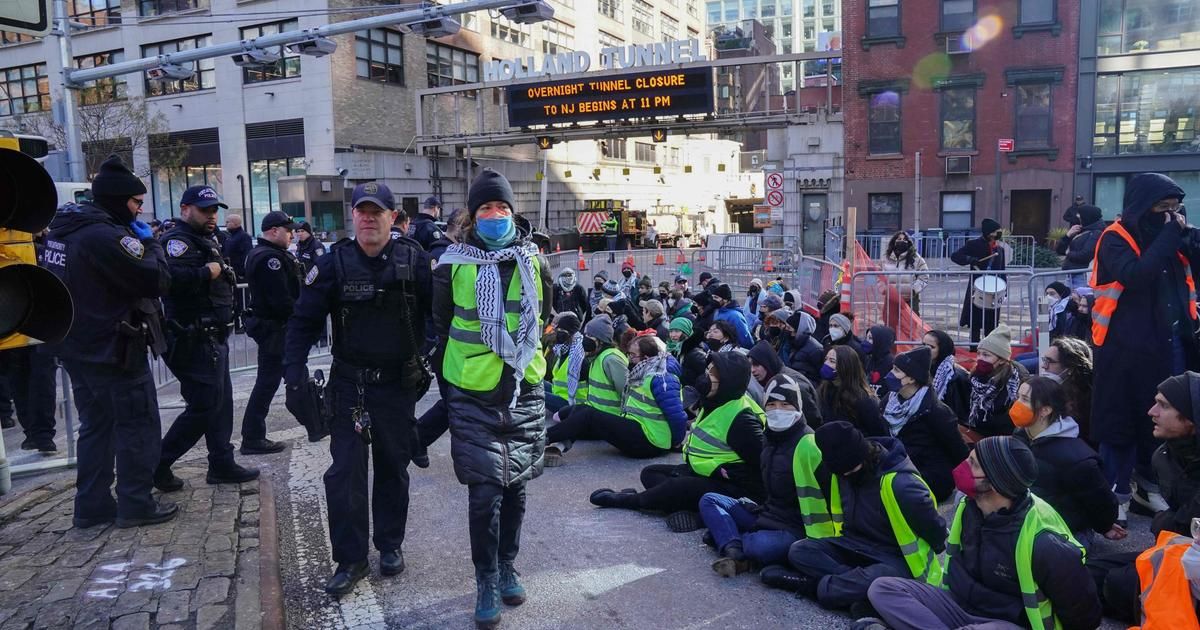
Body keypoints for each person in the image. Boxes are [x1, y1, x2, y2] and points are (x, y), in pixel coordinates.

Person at [283, 181, 430, 595]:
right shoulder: (333, 264)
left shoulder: (414, 261)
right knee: (344, 474)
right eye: (361, 211)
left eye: (377, 211)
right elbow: (303, 322)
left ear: (392, 217)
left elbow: (438, 316)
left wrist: (431, 359)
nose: (368, 218)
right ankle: (350, 559)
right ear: (353, 217)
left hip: (397, 387)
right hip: (350, 386)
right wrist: (292, 375)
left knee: (392, 469)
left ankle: (389, 546)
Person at [432, 169, 553, 627]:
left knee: (516, 487)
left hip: (524, 387)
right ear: (473, 215)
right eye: (486, 208)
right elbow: (443, 325)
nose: (495, 215)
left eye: (501, 207)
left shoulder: (534, 259)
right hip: (472, 391)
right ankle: (485, 577)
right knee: (485, 494)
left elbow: (542, 316)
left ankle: (507, 565)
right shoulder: (452, 264)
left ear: (512, 212)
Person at [42, 156, 177, 529]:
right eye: (135, 202)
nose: (138, 210)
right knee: (137, 425)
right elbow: (155, 280)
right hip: (113, 348)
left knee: (96, 427)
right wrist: (151, 245)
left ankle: (91, 505)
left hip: (76, 346)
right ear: (118, 199)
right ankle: (136, 502)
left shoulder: (62, 229)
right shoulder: (106, 235)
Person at [862, 436, 1101, 630]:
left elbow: (1085, 615)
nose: (963, 466)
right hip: (958, 607)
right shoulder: (969, 508)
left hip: (1007, 624)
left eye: (974, 463)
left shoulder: (1044, 542)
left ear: (996, 482)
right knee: (882, 589)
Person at [1091, 173, 1195, 524]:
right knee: (1119, 421)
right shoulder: (1114, 239)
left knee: (1162, 420)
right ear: (1141, 207)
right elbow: (1137, 275)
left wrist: (1186, 239)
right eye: (1161, 208)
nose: (1170, 216)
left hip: (1168, 343)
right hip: (1123, 348)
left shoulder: (1171, 236)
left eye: (1175, 209)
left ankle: (1149, 486)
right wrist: (1169, 235)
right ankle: (1115, 495)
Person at [770, 422, 946, 613]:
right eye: (842, 473)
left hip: (893, 557)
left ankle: (815, 587)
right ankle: (859, 593)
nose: (847, 476)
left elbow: (936, 532)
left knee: (881, 577)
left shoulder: (901, 484)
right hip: (853, 545)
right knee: (800, 550)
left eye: (851, 471)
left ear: (864, 454)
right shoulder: (841, 475)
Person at [155, 186, 259, 493]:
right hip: (191, 336)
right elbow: (170, 283)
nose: (212, 216)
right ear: (186, 209)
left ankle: (221, 462)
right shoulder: (177, 241)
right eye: (205, 210)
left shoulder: (205, 238)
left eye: (215, 210)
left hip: (212, 335)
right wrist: (206, 272)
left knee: (220, 402)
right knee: (204, 406)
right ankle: (159, 462)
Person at [589, 353, 765, 532]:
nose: (707, 376)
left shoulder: (742, 419)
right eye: (708, 370)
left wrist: (732, 474)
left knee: (678, 487)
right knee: (650, 473)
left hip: (731, 488)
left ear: (729, 379)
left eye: (714, 373)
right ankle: (685, 507)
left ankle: (631, 501)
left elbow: (762, 466)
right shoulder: (716, 401)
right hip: (702, 474)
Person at [701, 374, 811, 577]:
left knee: (757, 546)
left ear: (797, 407)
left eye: (785, 404)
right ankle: (733, 548)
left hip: (794, 527)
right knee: (710, 500)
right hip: (765, 515)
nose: (778, 410)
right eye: (772, 404)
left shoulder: (807, 444)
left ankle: (730, 541)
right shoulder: (769, 439)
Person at [1013, 377, 1122, 550]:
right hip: (1025, 521)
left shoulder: (1077, 458)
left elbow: (1101, 501)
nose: (1017, 404)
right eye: (1018, 397)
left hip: (1062, 532)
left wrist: (1105, 525)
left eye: (1025, 399)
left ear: (1045, 410)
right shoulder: (1020, 437)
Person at [545, 334, 685, 464]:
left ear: (646, 358)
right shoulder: (643, 372)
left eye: (632, 355)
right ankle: (557, 445)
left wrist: (675, 443)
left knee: (588, 415)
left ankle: (541, 439)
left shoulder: (662, 379)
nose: (628, 358)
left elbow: (677, 416)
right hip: (640, 431)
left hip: (651, 441)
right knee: (583, 410)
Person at [239, 211, 301, 455]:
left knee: (276, 380)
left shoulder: (268, 254)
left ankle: (254, 435)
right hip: (276, 329)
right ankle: (253, 437)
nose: (292, 235)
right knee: (268, 382)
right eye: (288, 231)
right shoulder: (269, 259)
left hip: (276, 328)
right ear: (274, 231)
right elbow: (281, 300)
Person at [880, 346, 968, 503]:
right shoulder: (889, 401)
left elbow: (958, 451)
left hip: (927, 479)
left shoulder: (936, 411)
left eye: (897, 370)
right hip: (898, 470)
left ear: (912, 378)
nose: (890, 374)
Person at [1148, 371, 1200, 537]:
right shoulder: (1163, 457)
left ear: (1191, 416)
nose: (1152, 412)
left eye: (1164, 406)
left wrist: (1164, 522)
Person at [961, 324, 1024, 443]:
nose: (980, 359)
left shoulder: (1012, 385)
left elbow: (1007, 423)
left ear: (1001, 360)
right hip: (979, 429)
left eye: (986, 355)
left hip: (1000, 438)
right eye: (979, 353)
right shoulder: (975, 377)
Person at [951, 218, 1008, 344]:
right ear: (989, 232)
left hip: (994, 289)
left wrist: (1005, 290)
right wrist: (970, 259)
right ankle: (974, 347)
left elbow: (1002, 270)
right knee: (975, 320)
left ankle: (989, 347)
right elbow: (955, 256)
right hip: (977, 287)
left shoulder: (1000, 249)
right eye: (997, 231)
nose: (999, 233)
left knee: (991, 322)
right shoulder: (974, 244)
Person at [748, 340, 822, 429]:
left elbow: (813, 419)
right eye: (750, 365)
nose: (752, 370)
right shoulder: (773, 381)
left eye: (756, 365)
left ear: (767, 362)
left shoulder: (792, 385)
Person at [817, 346, 888, 437]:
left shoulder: (864, 400)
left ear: (845, 366)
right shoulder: (824, 391)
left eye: (832, 361)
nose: (826, 364)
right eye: (826, 359)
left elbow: (878, 433)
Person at [1041, 337, 1094, 443]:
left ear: (1069, 369)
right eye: (1044, 360)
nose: (1043, 366)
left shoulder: (1088, 402)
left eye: (1049, 361)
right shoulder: (1049, 392)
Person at [923, 330, 971, 423]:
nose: (925, 349)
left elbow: (958, 411)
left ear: (942, 349)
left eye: (931, 347)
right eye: (923, 344)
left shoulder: (953, 376)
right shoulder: (924, 366)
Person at [544, 312, 584, 416]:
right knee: (534, 384)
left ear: (572, 333)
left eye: (563, 331)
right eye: (558, 330)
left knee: (536, 394)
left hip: (571, 402)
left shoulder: (578, 353)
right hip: (558, 392)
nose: (559, 333)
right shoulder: (563, 348)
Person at [1057, 203, 1105, 287]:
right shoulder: (1080, 230)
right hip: (1071, 274)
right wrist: (1067, 235)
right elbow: (1060, 250)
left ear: (1087, 217)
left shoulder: (1096, 233)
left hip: (1082, 276)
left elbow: (1085, 255)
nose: (1077, 217)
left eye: (1079, 216)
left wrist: (1068, 253)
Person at [882, 231, 930, 314]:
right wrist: (884, 289)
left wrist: (914, 290)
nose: (902, 241)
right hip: (891, 298)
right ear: (894, 241)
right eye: (899, 239)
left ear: (908, 242)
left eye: (904, 239)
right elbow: (879, 276)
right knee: (890, 322)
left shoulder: (916, 258)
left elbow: (924, 275)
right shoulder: (886, 258)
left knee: (911, 324)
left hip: (910, 299)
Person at [786, 310, 825, 382]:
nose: (786, 330)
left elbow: (819, 376)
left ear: (799, 329)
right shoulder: (795, 343)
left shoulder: (815, 349)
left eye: (789, 328)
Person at [710, 283, 753, 348]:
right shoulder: (717, 311)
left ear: (725, 300)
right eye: (712, 297)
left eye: (716, 297)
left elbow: (745, 339)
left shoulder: (735, 316)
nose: (713, 300)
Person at [862, 325, 896, 397]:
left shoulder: (891, 363)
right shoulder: (869, 359)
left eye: (871, 338)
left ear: (880, 341)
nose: (866, 341)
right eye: (867, 338)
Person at [222, 214, 253, 281]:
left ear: (235, 223)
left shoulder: (244, 237)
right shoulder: (231, 236)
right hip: (231, 273)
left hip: (239, 275)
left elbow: (246, 256)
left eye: (228, 222)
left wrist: (241, 273)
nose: (225, 224)